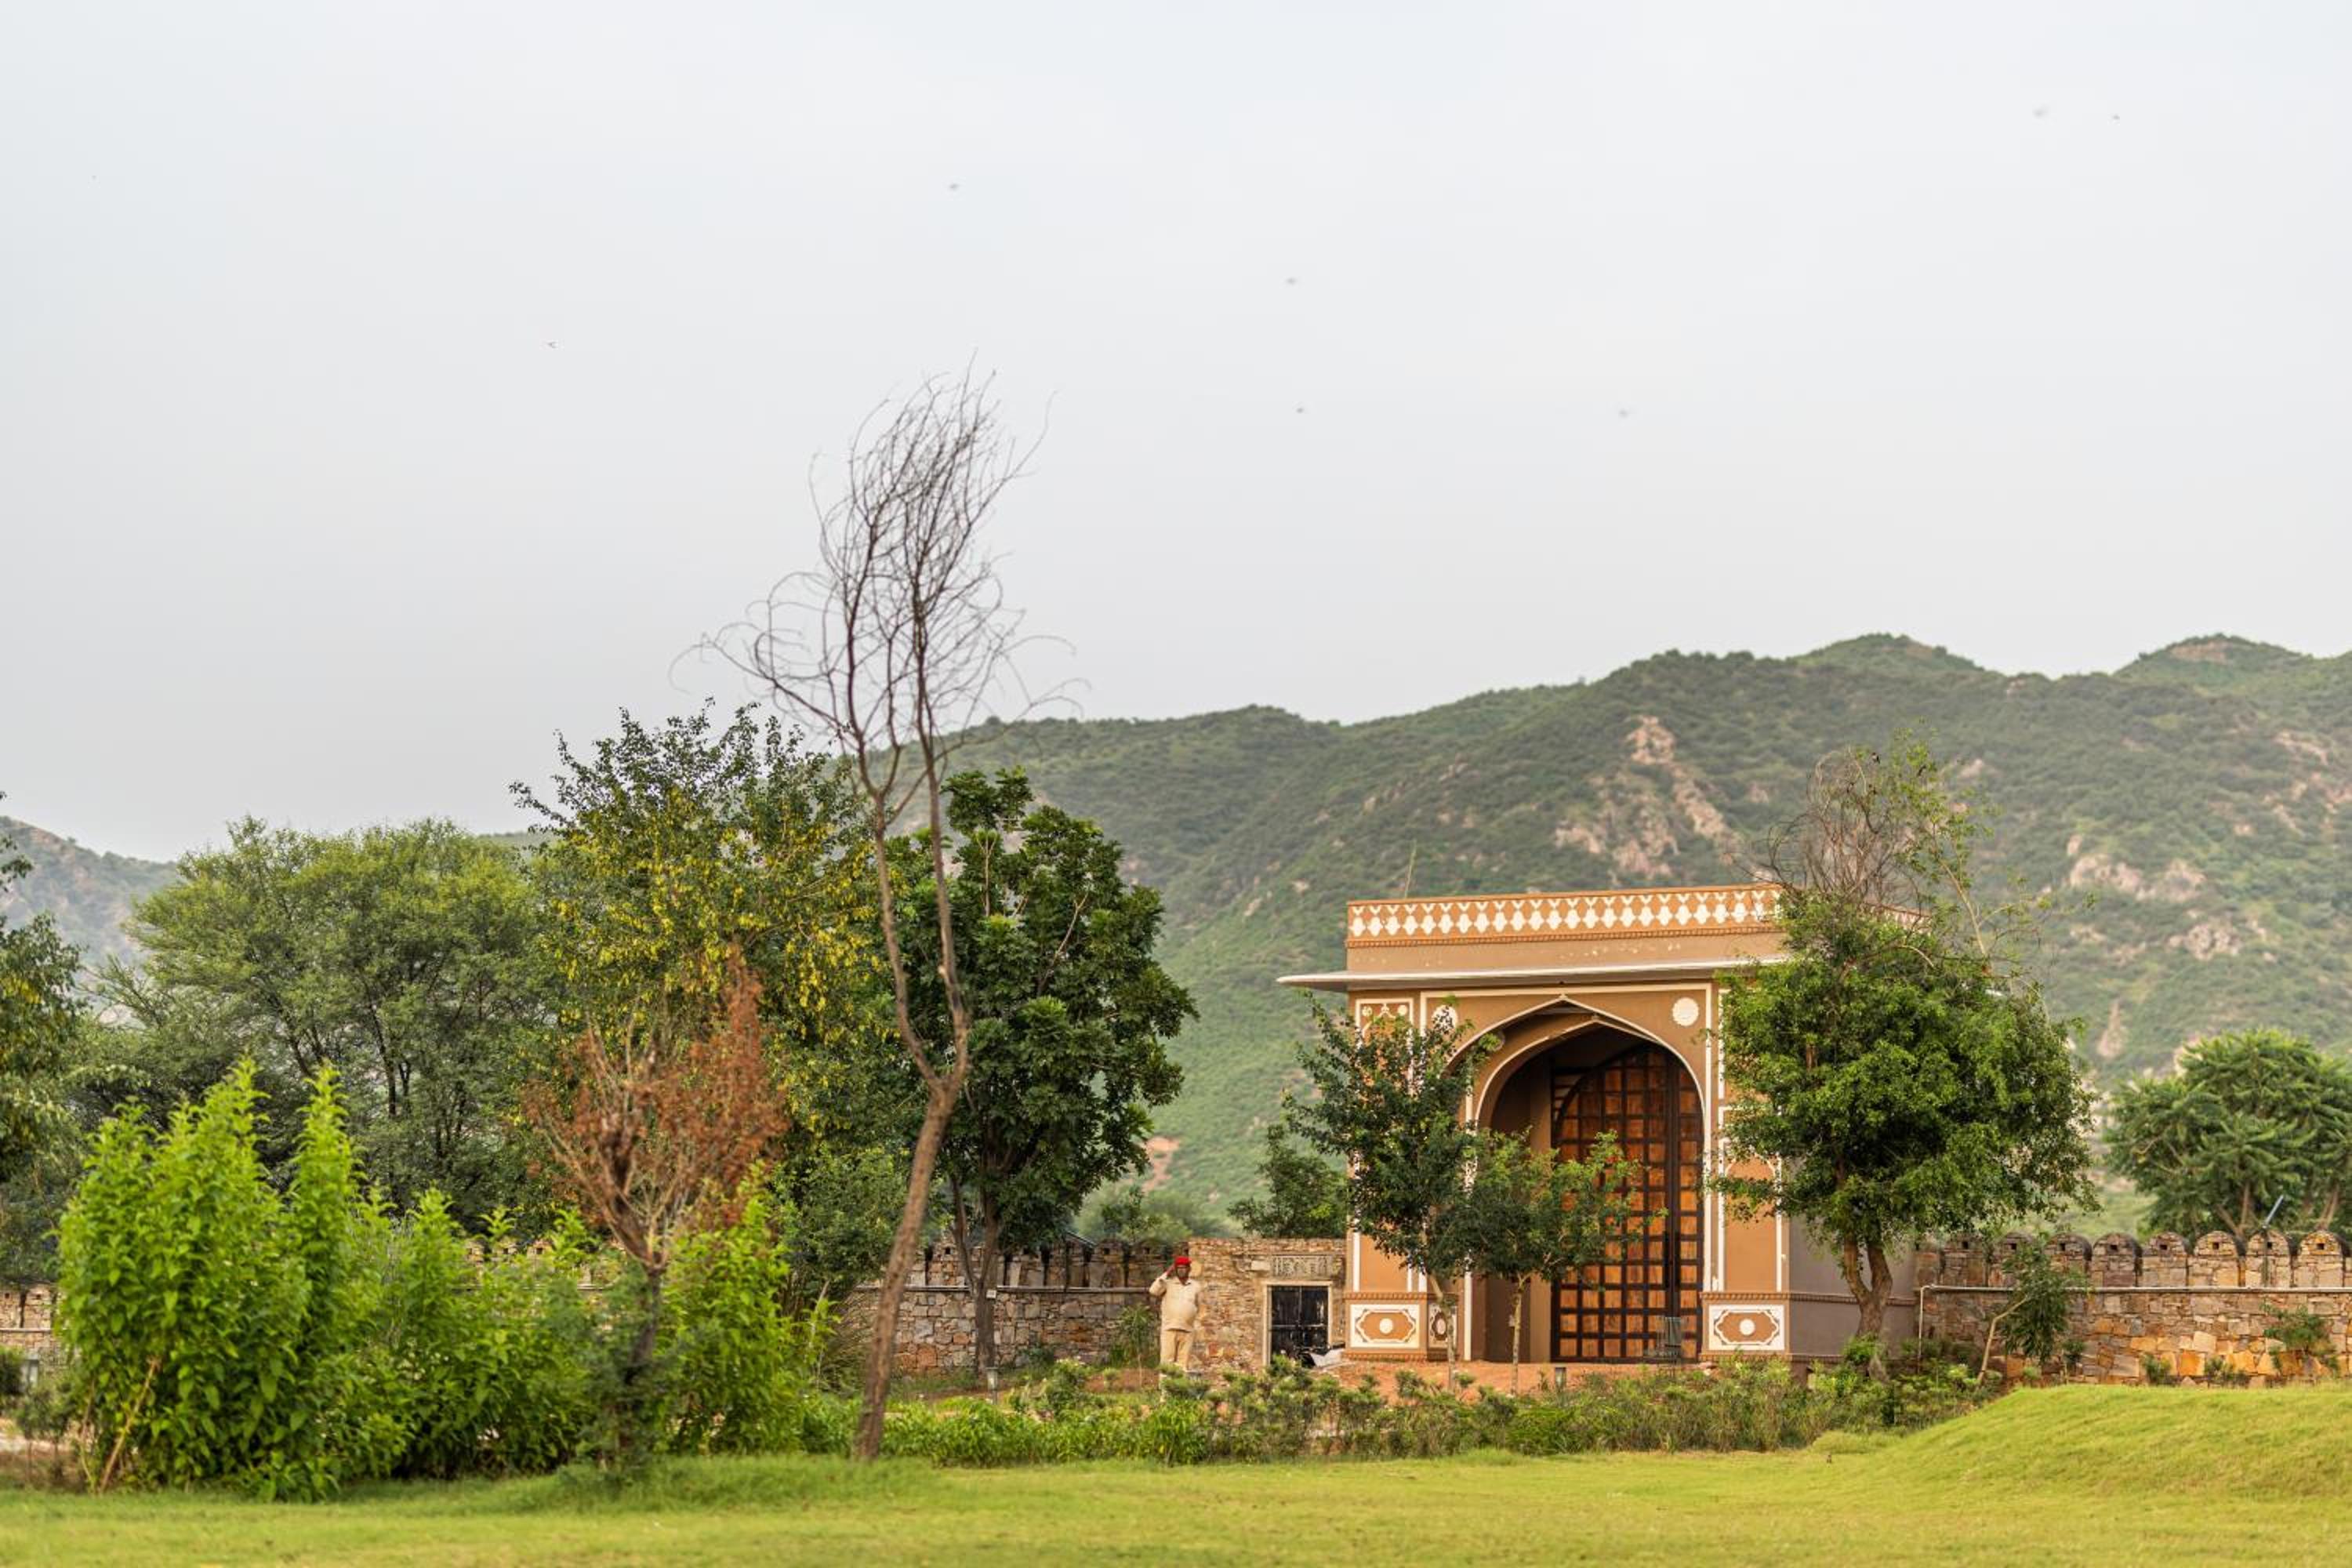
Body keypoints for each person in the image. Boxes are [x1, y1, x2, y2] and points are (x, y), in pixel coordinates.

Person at [1149, 1254, 1201, 1373]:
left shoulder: (1196, 1286)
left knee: (1183, 1365)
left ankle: (1179, 1390)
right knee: (1167, 1363)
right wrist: (1167, 1272)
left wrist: (1195, 1325)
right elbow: (1153, 1291)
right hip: (1169, 1328)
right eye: (1179, 1268)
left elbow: (1199, 1306)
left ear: (1189, 1269)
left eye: (1184, 1267)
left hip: (1188, 1330)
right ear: (1175, 1269)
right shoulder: (1168, 1284)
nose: (1181, 1270)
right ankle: (1166, 1391)